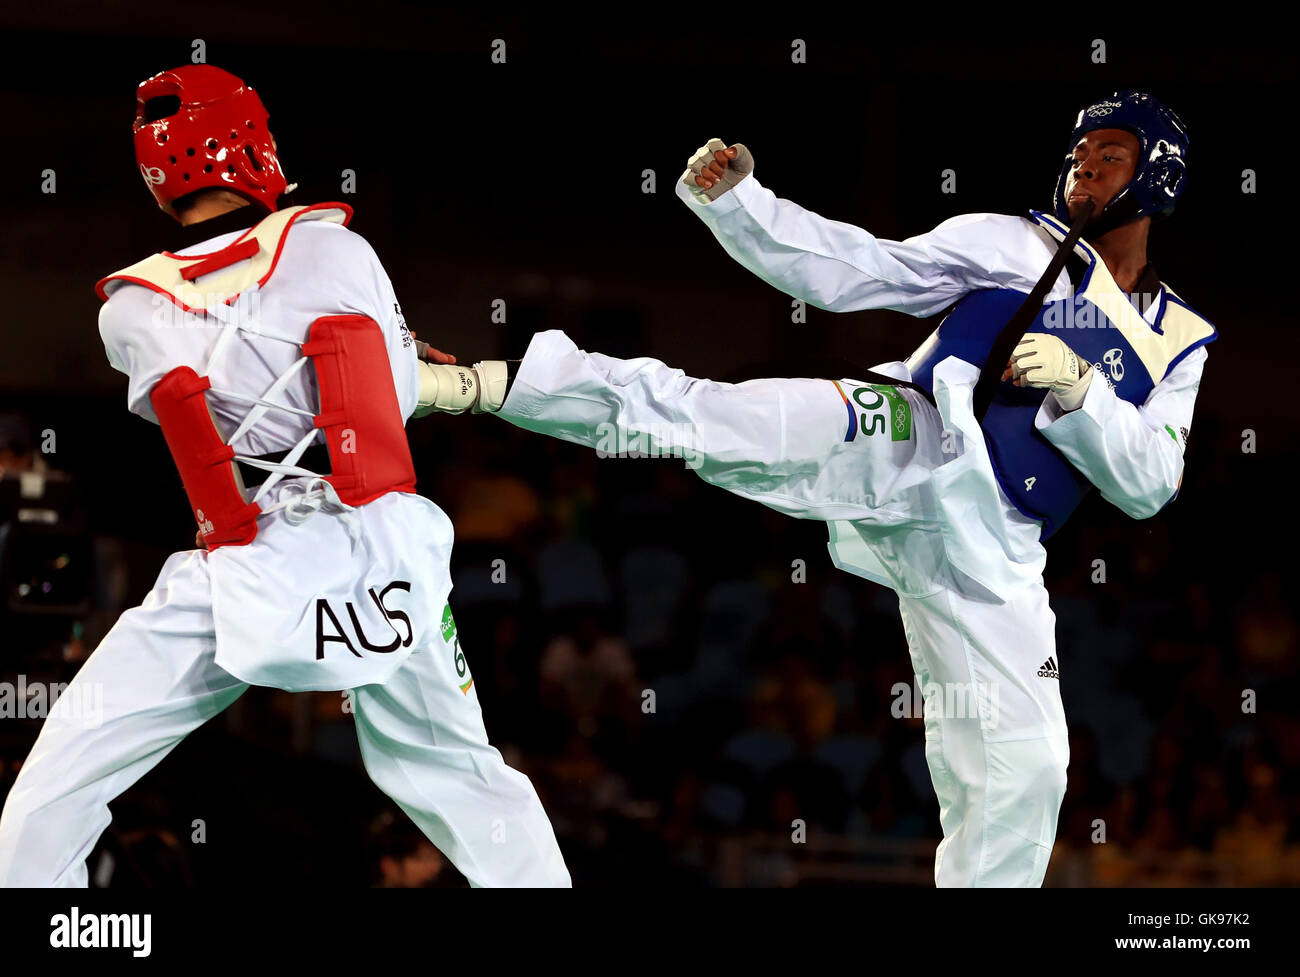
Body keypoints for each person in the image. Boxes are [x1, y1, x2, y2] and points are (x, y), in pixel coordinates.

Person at [418, 91, 1215, 886]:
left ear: (1160, 176)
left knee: (1028, 770)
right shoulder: (1010, 240)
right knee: (720, 418)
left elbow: (1151, 481)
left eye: (1111, 152)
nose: (1084, 162)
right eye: (1078, 151)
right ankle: (489, 382)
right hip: (906, 435)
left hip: (996, 548)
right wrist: (741, 206)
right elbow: (856, 267)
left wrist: (1081, 389)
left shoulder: (1180, 338)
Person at [0, 64, 569, 888]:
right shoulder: (337, 247)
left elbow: (199, 414)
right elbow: (393, 394)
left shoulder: (125, 310)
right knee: (471, 782)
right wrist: (433, 372)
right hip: (382, 557)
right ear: (249, 142)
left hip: (247, 569)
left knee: (52, 790)